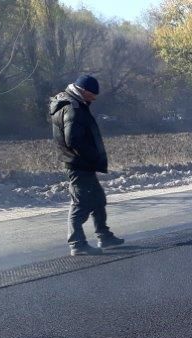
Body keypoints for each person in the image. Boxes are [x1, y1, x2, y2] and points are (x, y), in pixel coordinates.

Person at [49, 75, 124, 256]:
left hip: (83, 163)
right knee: (80, 203)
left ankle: (104, 236)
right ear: (82, 90)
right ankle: (77, 243)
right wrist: (92, 156)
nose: (94, 98)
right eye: (91, 95)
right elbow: (73, 140)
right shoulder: (72, 109)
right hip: (78, 164)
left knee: (98, 199)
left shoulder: (75, 104)